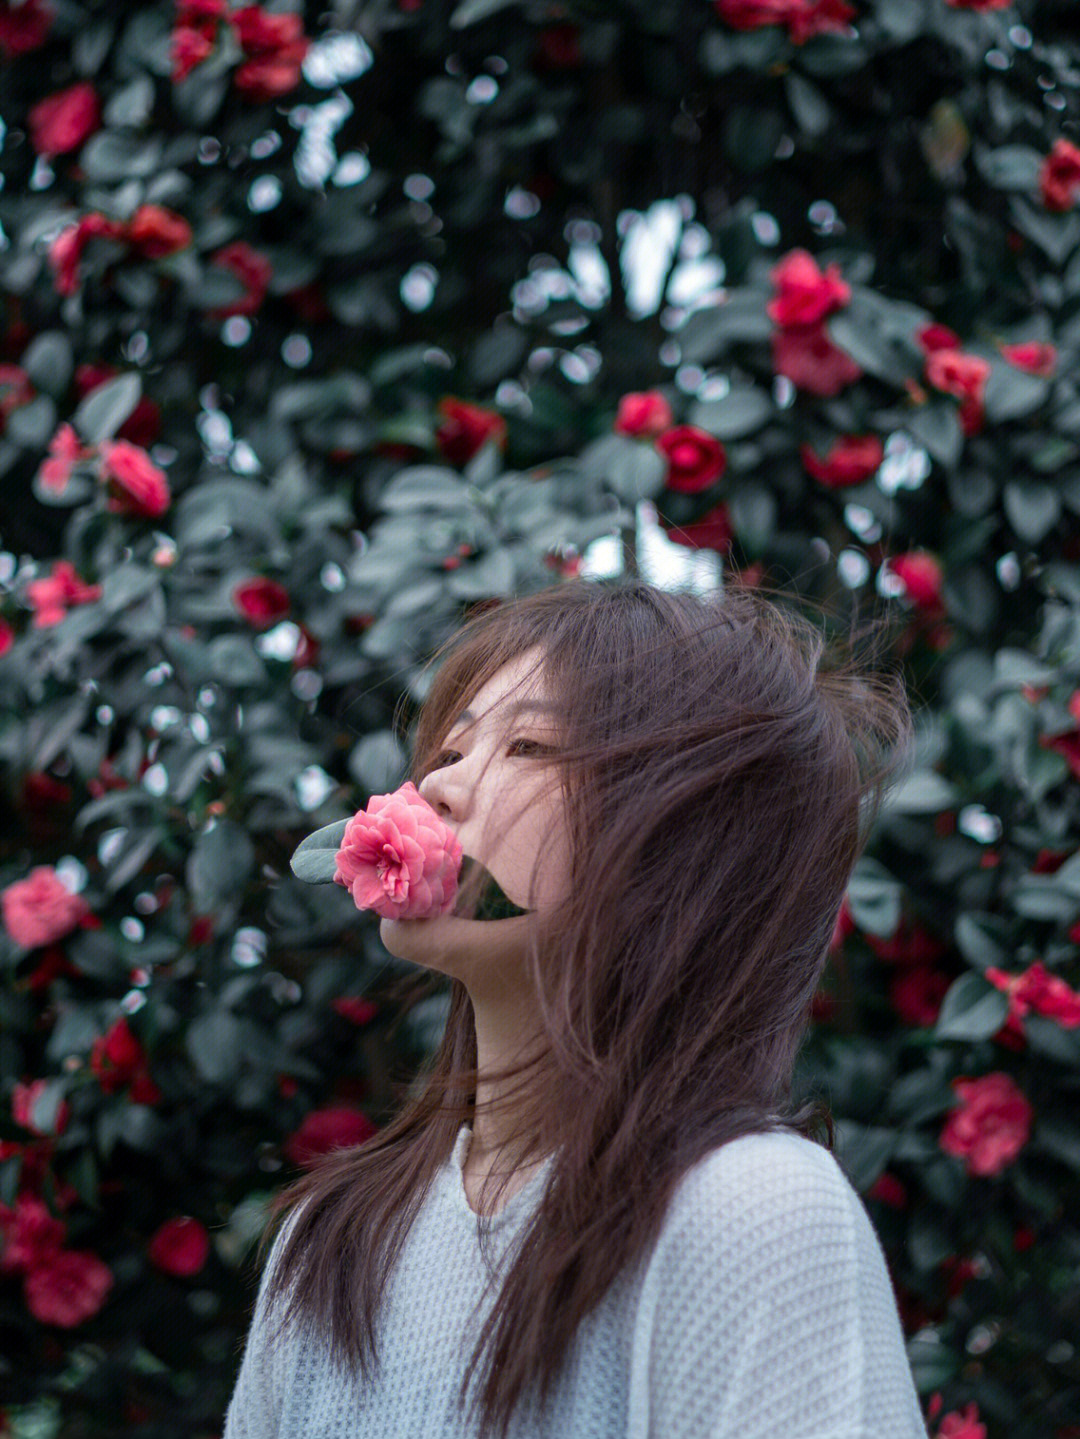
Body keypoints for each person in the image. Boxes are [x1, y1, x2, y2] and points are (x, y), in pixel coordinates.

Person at [223, 575, 930, 1439]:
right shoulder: (327, 1241)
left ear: (681, 854)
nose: (436, 790)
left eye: (528, 749)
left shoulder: (751, 1210)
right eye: (450, 750)